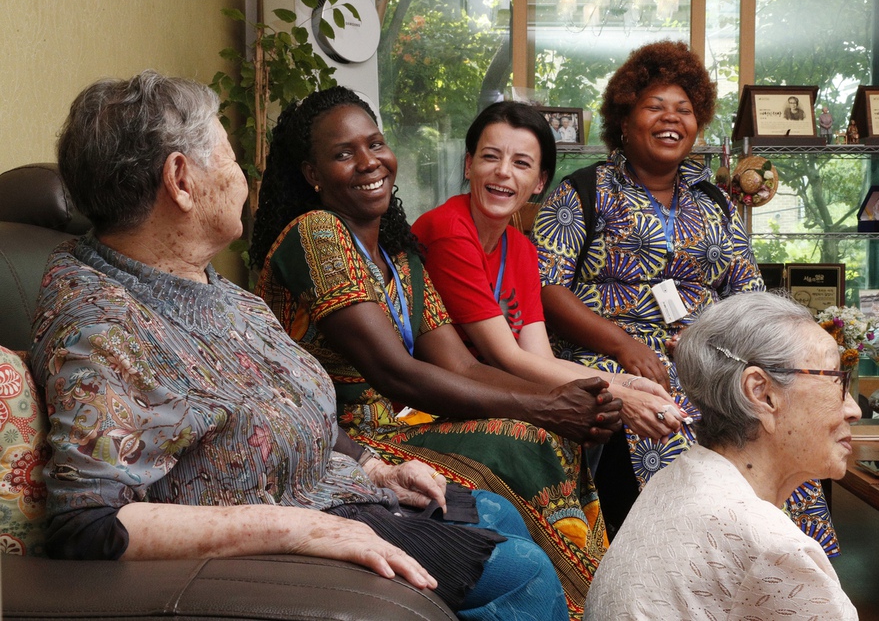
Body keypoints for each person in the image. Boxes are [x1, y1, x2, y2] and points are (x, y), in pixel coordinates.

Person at [34, 71, 569, 621]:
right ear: (181, 179)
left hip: (340, 490)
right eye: (229, 155)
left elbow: (288, 401)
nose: (242, 177)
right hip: (296, 529)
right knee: (524, 576)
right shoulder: (104, 323)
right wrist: (307, 530)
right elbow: (87, 524)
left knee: (499, 511)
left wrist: (377, 466)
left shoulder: (208, 286)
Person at [249, 86, 622, 618]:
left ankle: (574, 601)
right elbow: (397, 373)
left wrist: (566, 398)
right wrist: (544, 406)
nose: (367, 162)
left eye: (374, 143)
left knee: (544, 434)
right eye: (343, 153)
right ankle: (573, 602)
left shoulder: (398, 253)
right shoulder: (316, 233)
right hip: (342, 445)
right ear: (312, 174)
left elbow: (462, 364)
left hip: (392, 428)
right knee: (528, 435)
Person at [530, 40, 839, 555]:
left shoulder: (714, 199)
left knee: (776, 410)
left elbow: (747, 292)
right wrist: (624, 345)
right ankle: (684, 567)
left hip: (710, 354)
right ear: (624, 120)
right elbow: (546, 288)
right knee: (670, 412)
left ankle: (783, 566)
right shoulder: (585, 189)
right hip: (611, 355)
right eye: (655, 107)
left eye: (685, 110)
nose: (672, 119)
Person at [411, 101, 680, 447]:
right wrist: (618, 395)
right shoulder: (449, 229)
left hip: (489, 392)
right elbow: (505, 357)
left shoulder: (520, 248)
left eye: (521, 163)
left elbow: (538, 357)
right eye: (490, 157)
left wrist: (625, 383)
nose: (503, 172)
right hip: (433, 401)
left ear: (539, 182)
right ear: (468, 165)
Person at [585, 292, 861, 620]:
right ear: (762, 393)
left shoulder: (677, 479)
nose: (853, 409)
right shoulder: (772, 546)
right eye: (836, 381)